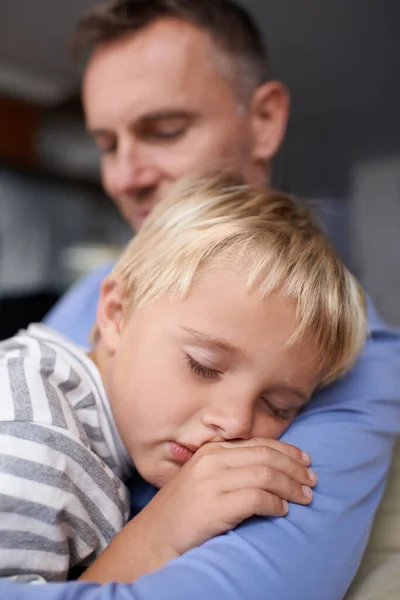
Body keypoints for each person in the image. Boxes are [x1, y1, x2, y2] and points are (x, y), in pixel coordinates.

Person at [30, 0, 399, 599]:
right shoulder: (96, 283)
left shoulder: (347, 356)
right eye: (107, 143)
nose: (124, 177)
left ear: (264, 121)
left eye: (164, 131)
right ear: (114, 311)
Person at [0, 175, 367, 583]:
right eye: (203, 366)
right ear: (116, 315)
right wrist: (159, 535)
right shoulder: (34, 448)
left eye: (278, 406)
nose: (235, 423)